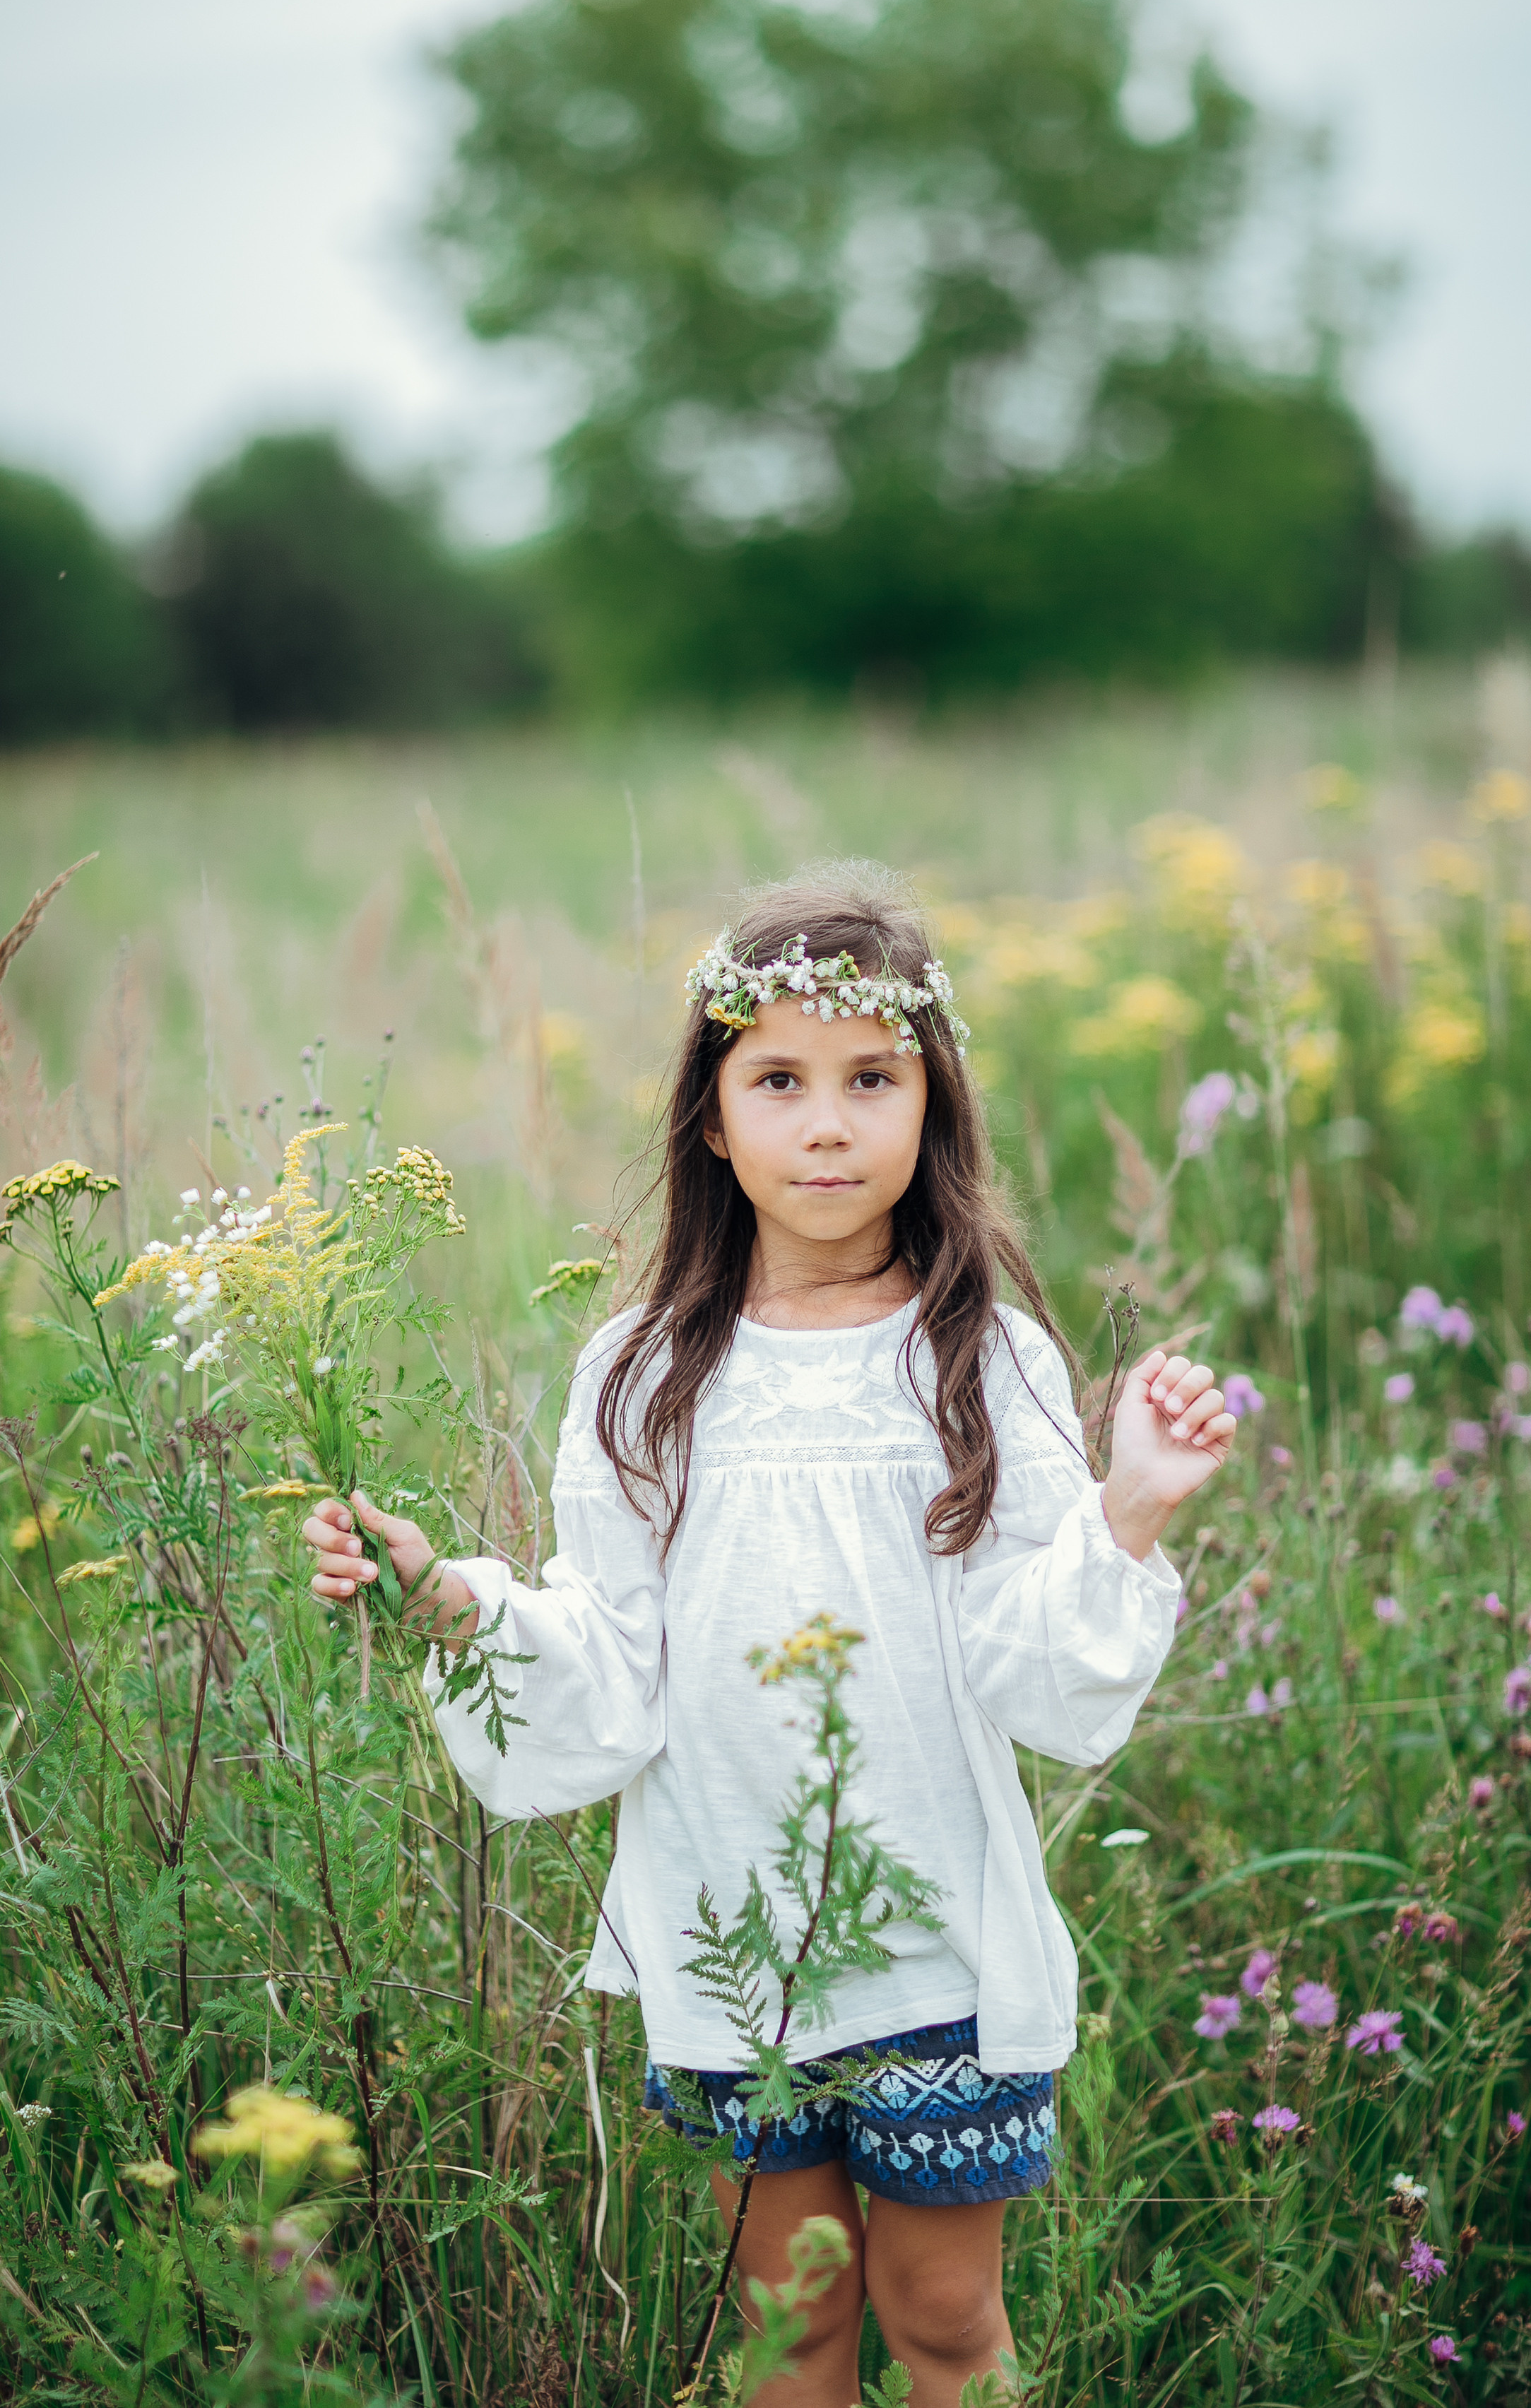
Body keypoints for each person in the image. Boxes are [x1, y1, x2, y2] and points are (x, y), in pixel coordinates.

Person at [303, 863, 1234, 2408]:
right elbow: (612, 1665)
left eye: (873, 1079)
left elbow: (1034, 1665)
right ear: (713, 1116)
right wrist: (453, 1599)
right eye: (780, 1079)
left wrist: (1126, 1509)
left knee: (942, 2316)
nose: (826, 1120)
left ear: (930, 1108)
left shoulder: (978, 1358)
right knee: (789, 2328)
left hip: (933, 1918)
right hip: (734, 1934)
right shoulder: (642, 1375)